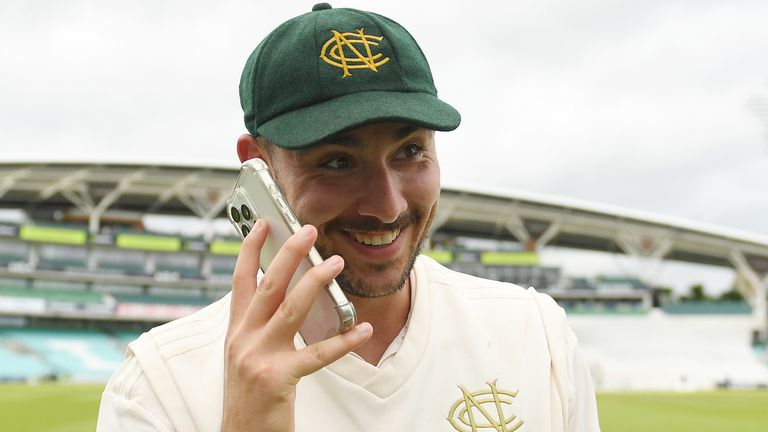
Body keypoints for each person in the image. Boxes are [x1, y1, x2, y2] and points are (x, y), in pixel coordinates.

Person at [97, 3, 600, 431]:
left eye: (409, 151)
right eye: (338, 161)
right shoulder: (160, 385)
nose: (388, 206)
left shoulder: (537, 337)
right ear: (259, 166)